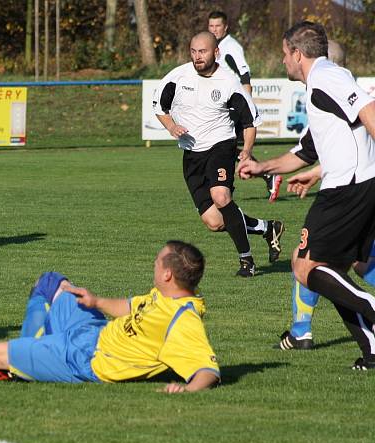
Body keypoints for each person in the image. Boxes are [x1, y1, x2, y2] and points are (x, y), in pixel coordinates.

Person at [0, 241, 220, 393]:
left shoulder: (184, 320)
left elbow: (207, 369)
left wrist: (187, 390)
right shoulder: (164, 296)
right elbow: (130, 307)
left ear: (168, 275)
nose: (153, 264)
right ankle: (25, 357)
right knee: (54, 283)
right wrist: (96, 300)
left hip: (88, 360)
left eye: (158, 261)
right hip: (93, 334)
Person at [238, 22, 375, 369]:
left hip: (349, 188)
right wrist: (262, 167)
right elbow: (304, 153)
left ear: (297, 53)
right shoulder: (318, 87)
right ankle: (372, 351)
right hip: (350, 185)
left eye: (284, 54)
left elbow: (368, 111)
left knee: (304, 265)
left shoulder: (328, 76)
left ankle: (370, 310)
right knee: (331, 270)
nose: (283, 61)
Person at [152, 31, 284, 278]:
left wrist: (246, 150)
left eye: (202, 51)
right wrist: (171, 127)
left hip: (220, 146)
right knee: (215, 221)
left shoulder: (228, 82)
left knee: (221, 196)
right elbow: (160, 106)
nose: (196, 57)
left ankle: (247, 262)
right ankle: (267, 228)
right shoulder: (178, 76)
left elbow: (250, 121)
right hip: (191, 154)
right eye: (193, 51)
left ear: (216, 52)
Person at [274, 38, 375, 351]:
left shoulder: (331, 82)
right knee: (347, 264)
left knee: (310, 262)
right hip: (358, 184)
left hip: (354, 188)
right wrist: (316, 171)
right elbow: (334, 143)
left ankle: (303, 330)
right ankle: (368, 347)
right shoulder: (332, 92)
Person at [208, 10, 282, 202]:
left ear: (225, 27)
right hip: (224, 103)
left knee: (221, 145)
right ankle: (267, 175)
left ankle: (225, 189)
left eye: (217, 26)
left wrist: (245, 106)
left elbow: (244, 76)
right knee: (225, 146)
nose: (214, 29)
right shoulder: (215, 46)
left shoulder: (231, 47)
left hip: (235, 104)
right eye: (211, 26)